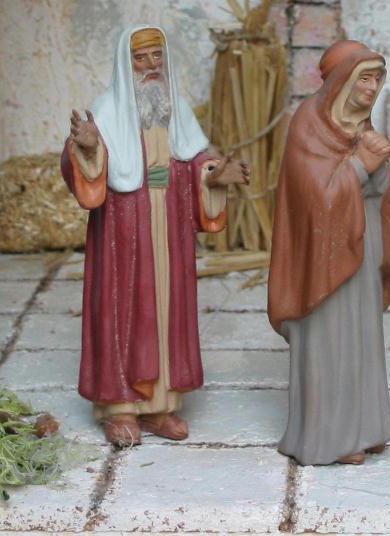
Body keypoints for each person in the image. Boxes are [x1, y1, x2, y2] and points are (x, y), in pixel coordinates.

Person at [61, 25, 249, 447]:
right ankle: (121, 408)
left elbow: (194, 159)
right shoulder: (106, 111)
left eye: (157, 56)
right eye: (140, 58)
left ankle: (161, 404)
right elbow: (82, 164)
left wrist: (214, 175)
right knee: (125, 308)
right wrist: (88, 147)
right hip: (124, 229)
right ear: (125, 63)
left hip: (169, 224)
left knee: (166, 308)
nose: (151, 65)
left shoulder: (174, 107)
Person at [268, 40, 390, 465]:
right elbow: (314, 199)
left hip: (362, 246)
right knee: (330, 340)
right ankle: (331, 437)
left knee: (362, 337)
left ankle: (366, 427)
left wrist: (379, 171)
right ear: (341, 80)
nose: (371, 88)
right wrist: (361, 166)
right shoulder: (309, 125)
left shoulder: (360, 124)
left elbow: (383, 192)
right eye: (364, 78)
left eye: (377, 79)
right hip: (322, 258)